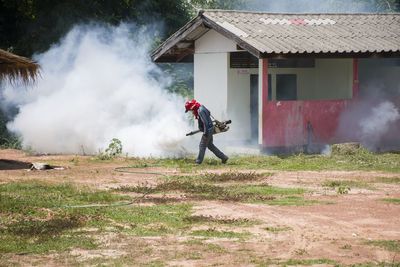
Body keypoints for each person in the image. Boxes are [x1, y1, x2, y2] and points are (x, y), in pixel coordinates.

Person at [185, 99, 229, 164]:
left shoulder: (200, 111)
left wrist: (205, 133)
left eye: (190, 110)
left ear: (192, 107)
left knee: (202, 146)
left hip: (208, 130)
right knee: (210, 145)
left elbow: (205, 122)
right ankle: (224, 157)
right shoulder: (201, 107)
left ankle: (198, 162)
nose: (191, 111)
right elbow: (209, 113)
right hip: (209, 129)